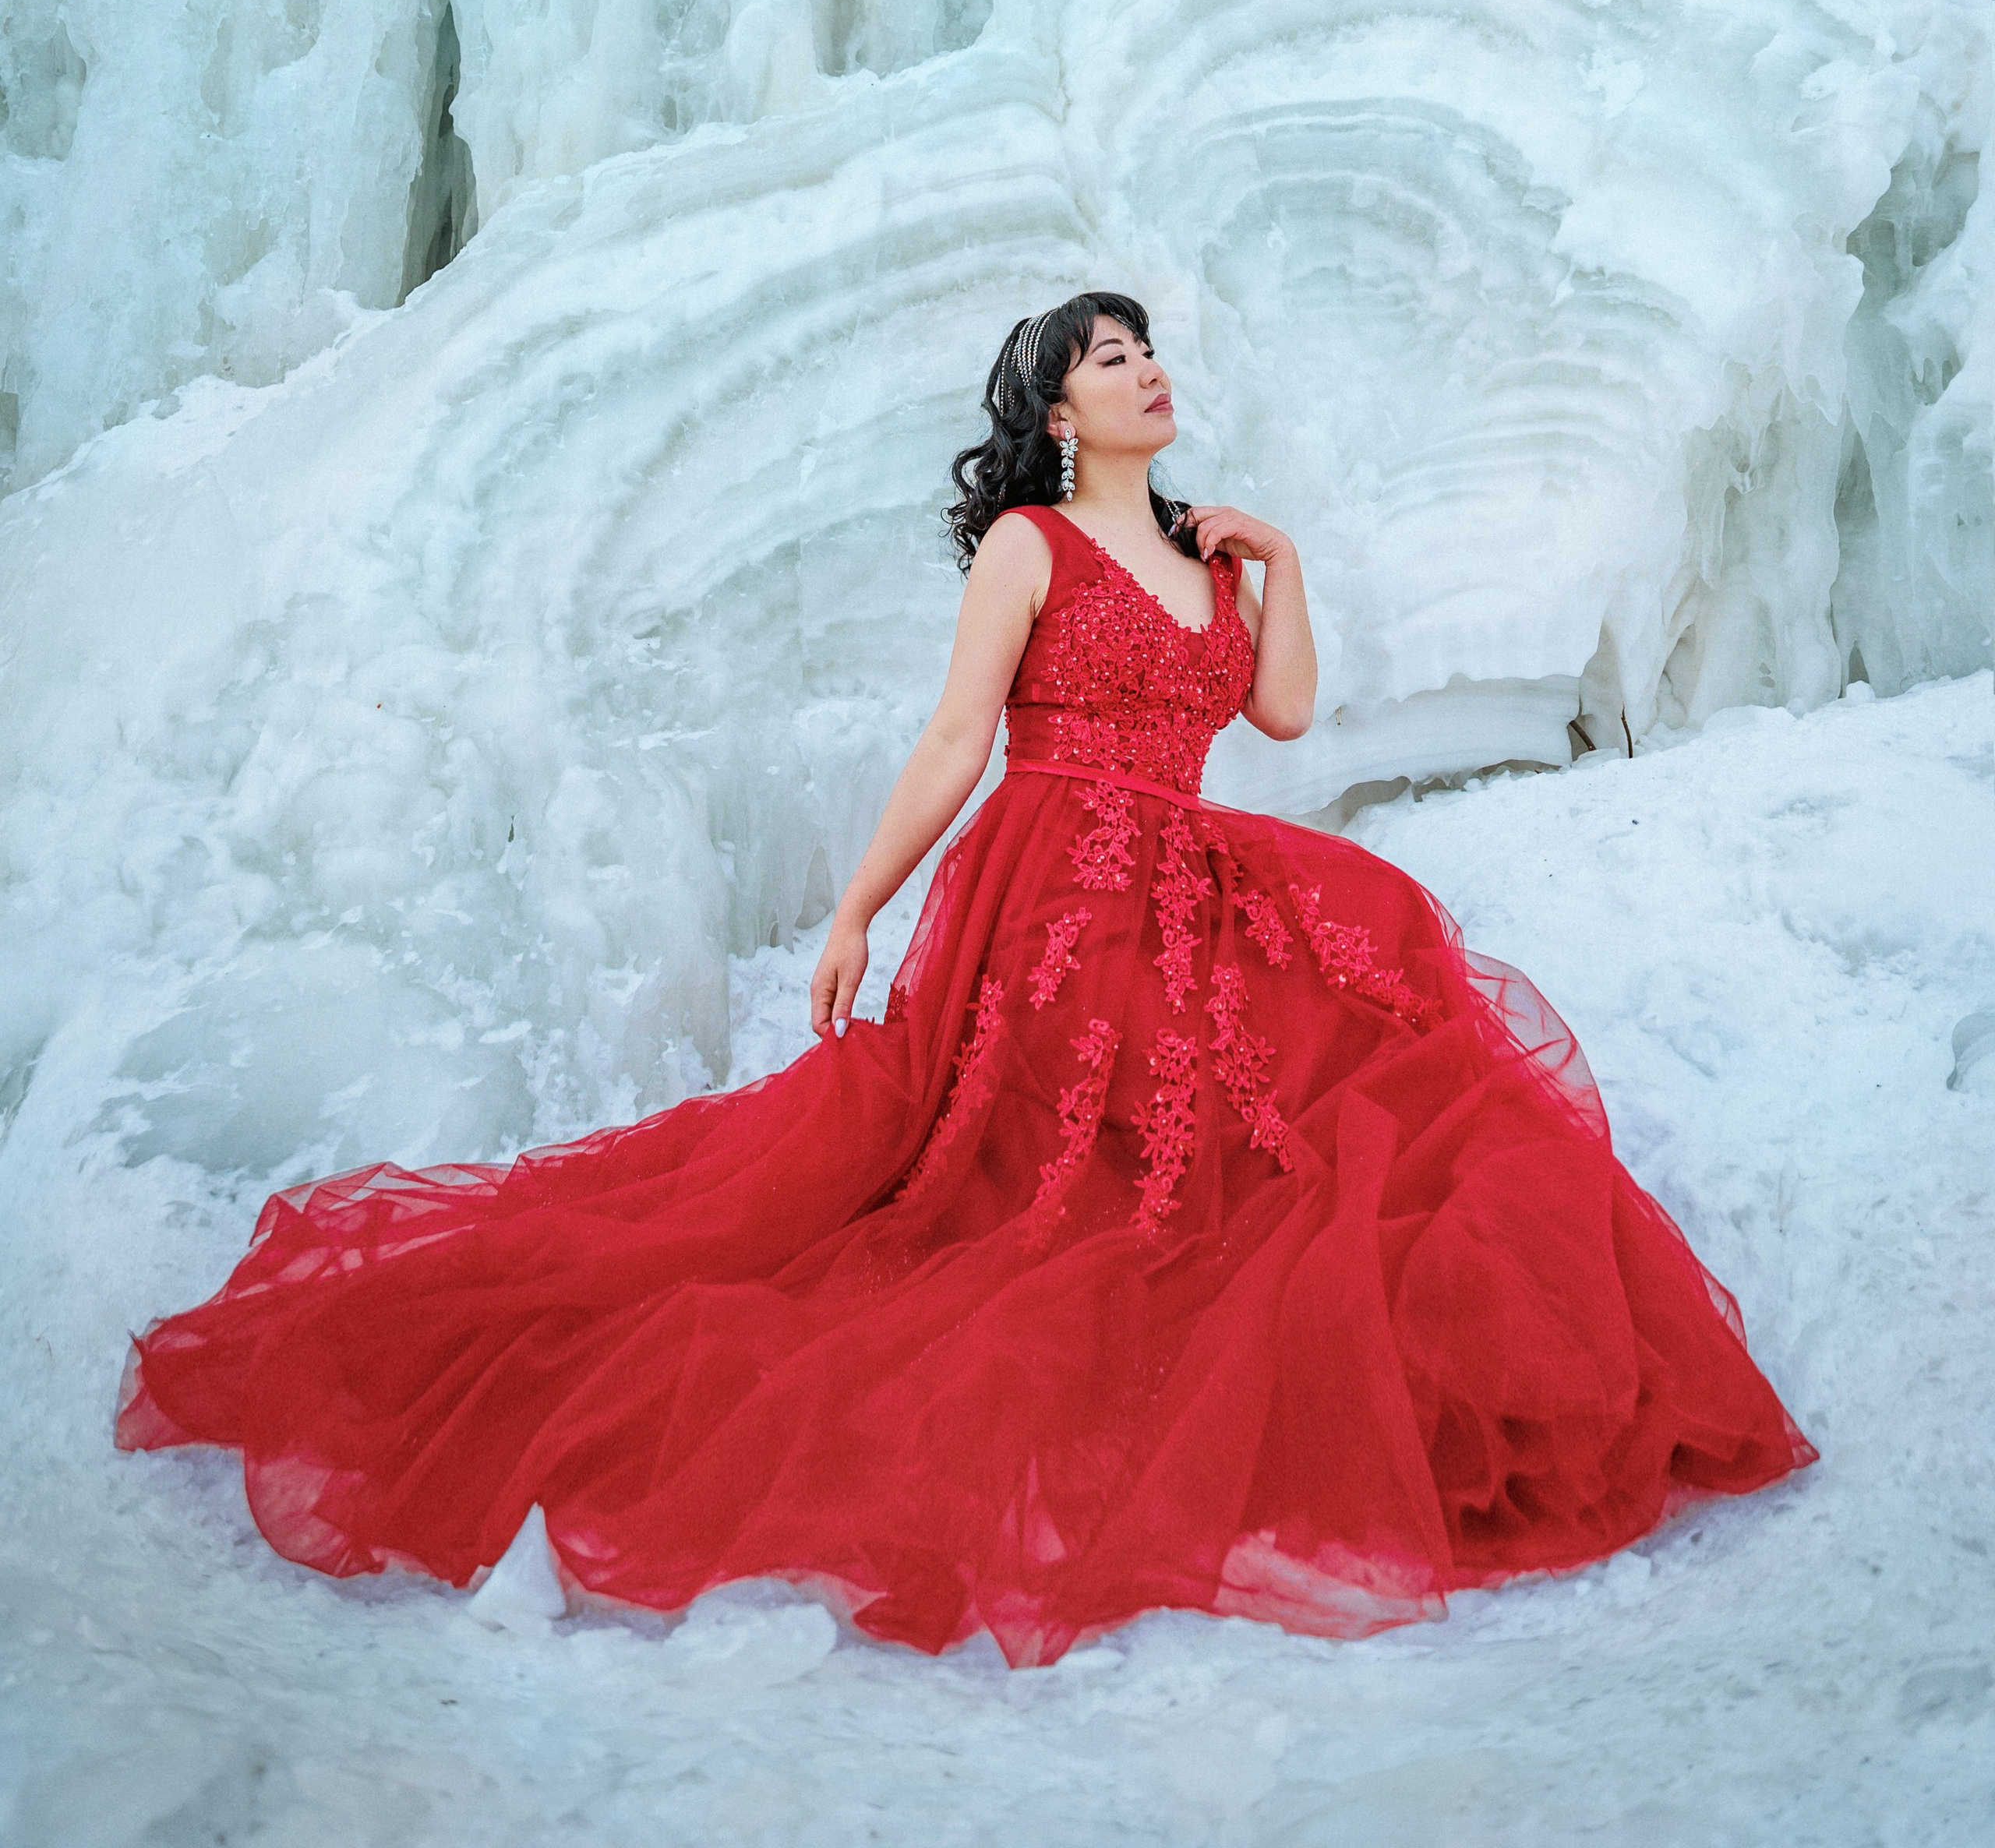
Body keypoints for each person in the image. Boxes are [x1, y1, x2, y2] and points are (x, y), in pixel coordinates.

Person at [117, 289, 1813, 1664]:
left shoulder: (1212, 557)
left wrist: (1283, 563)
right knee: (1030, 1205)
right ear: (1058, 414)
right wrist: (859, 909)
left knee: (1348, 1106)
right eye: (1110, 358)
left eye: (1149, 351)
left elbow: (1282, 715)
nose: (1148, 373)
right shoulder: (1029, 550)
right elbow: (950, 740)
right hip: (1058, 884)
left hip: (1194, 871)